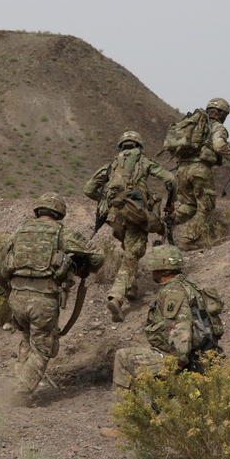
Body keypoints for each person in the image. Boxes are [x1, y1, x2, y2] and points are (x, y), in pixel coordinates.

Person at [0, 193, 104, 400]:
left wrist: (10, 292)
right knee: (43, 349)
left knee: (28, 339)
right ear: (59, 212)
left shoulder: (18, 232)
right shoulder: (62, 233)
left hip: (17, 299)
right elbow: (98, 255)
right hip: (43, 299)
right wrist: (83, 270)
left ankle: (17, 382)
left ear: (38, 210)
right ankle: (17, 395)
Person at [83, 131, 177, 322]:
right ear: (138, 146)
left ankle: (132, 287)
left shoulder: (111, 166)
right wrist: (170, 201)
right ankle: (116, 296)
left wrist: (106, 203)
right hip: (136, 215)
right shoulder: (143, 162)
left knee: (129, 248)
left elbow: (88, 189)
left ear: (121, 146)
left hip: (115, 217)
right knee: (132, 253)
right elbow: (170, 179)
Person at [112, 244, 224, 391]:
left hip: (184, 359)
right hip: (199, 356)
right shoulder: (189, 287)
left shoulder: (172, 292)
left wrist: (178, 363)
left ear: (158, 268)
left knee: (123, 357)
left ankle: (126, 412)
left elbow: (180, 326)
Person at [172, 98, 230, 251]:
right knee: (206, 207)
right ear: (223, 114)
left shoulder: (193, 124)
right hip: (200, 170)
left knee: (189, 205)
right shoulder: (217, 127)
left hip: (182, 169)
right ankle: (186, 241)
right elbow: (219, 145)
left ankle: (165, 223)